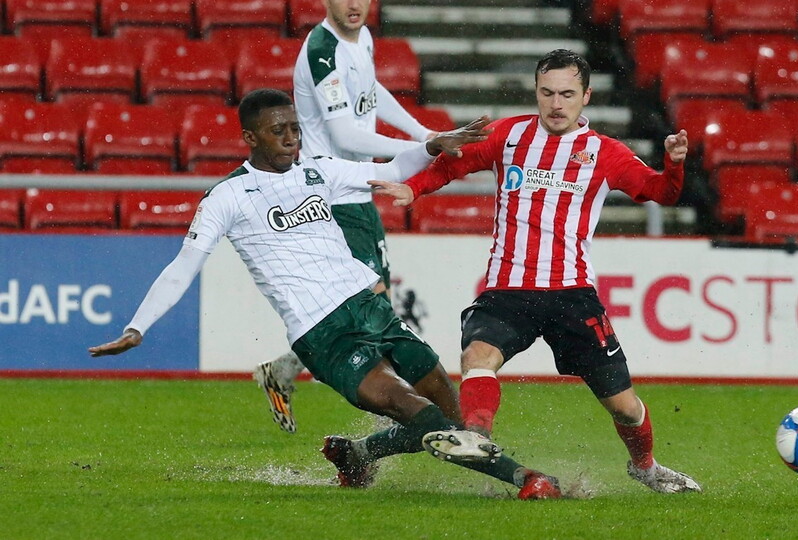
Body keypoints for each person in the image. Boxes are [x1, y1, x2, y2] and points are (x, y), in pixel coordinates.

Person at [88, 89, 561, 500]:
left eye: (295, 128)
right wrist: (137, 327)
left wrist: (431, 145)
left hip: (370, 308)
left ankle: (357, 453)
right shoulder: (227, 197)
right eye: (278, 131)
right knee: (417, 412)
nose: (291, 138)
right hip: (323, 334)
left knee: (448, 410)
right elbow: (183, 266)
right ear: (250, 137)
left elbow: (392, 168)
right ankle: (525, 477)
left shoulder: (317, 169)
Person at [371, 49, 702, 494]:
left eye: (567, 94)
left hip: (572, 294)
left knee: (624, 407)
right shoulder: (508, 135)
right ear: (536, 92)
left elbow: (660, 192)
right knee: (477, 357)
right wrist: (413, 189)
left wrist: (675, 164)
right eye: (547, 93)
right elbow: (453, 164)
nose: (556, 104)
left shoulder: (605, 153)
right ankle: (476, 437)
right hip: (508, 289)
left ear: (586, 96)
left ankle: (645, 466)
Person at [254, 0, 442, 434]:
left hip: (359, 193)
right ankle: (396, 417)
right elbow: (344, 134)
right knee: (369, 311)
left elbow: (371, 92)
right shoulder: (322, 49)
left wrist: (423, 133)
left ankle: (285, 370)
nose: (354, 4)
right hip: (332, 197)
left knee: (377, 309)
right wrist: (420, 150)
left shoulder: (363, 38)